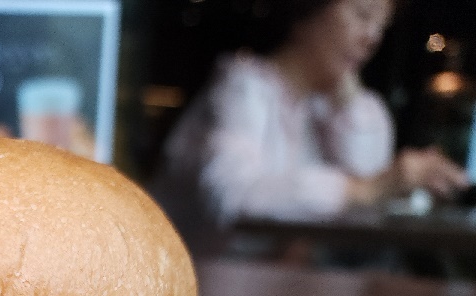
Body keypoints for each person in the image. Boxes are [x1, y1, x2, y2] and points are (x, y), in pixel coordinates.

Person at [150, 0, 470, 255]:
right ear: (307, 10)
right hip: (204, 285)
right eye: (362, 15)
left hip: (272, 288)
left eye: (381, 26)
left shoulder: (320, 106)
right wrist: (366, 189)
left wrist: (349, 98)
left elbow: (368, 189)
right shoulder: (243, 86)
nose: (372, 38)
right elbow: (231, 197)